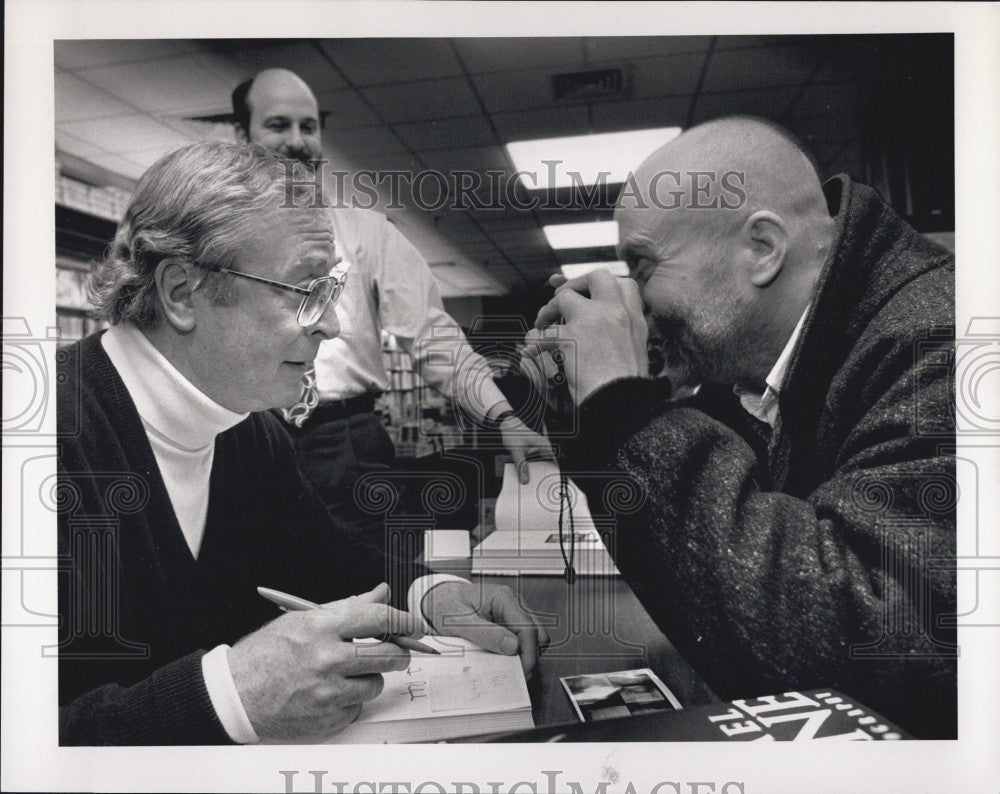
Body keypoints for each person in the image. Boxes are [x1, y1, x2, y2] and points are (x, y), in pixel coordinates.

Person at [57, 140, 547, 745]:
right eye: (303, 291)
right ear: (182, 291)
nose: (334, 325)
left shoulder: (251, 427)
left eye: (331, 291)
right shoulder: (41, 445)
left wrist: (433, 596)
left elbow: (321, 556)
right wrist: (232, 695)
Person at [525, 117, 956, 738]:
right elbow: (713, 583)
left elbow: (867, 656)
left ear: (762, 248)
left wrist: (625, 412)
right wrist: (588, 420)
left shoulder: (938, 340)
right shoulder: (766, 373)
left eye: (642, 267)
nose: (637, 305)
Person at [232, 68, 553, 539]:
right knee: (253, 588)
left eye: (309, 126)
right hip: (243, 435)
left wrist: (501, 416)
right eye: (278, 125)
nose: (298, 141)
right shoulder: (214, 239)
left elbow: (431, 333)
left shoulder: (365, 231)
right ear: (243, 136)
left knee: (363, 587)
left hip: (345, 442)